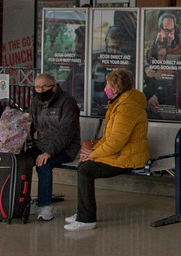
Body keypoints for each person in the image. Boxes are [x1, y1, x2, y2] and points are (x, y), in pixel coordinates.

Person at [64, 68, 149, 231]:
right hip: (121, 154)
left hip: (128, 158)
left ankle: (87, 218)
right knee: (84, 166)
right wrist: (93, 153)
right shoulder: (120, 103)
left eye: (108, 85)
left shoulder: (125, 108)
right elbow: (109, 138)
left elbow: (116, 142)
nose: (106, 89)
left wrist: (94, 154)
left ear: (116, 89)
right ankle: (83, 212)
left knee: (86, 169)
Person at [28, 73, 81, 222]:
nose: (40, 90)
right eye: (37, 87)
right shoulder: (35, 102)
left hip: (65, 148)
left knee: (44, 164)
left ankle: (45, 206)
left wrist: (48, 152)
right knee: (21, 161)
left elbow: (67, 133)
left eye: (44, 86)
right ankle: (24, 199)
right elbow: (31, 124)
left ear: (54, 87)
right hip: (41, 144)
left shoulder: (67, 102)